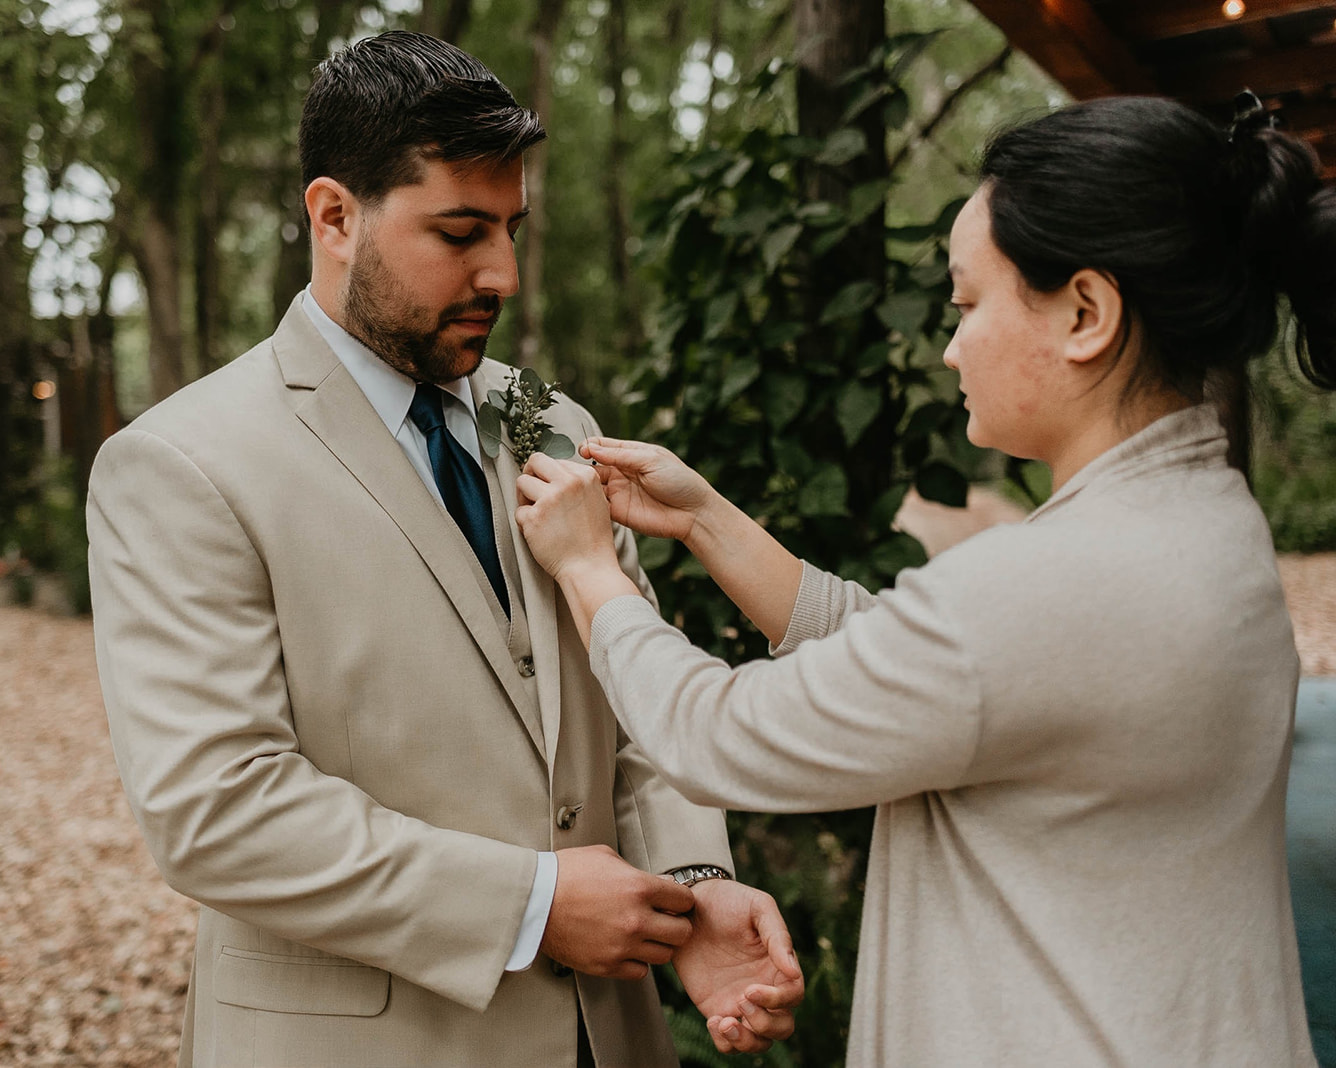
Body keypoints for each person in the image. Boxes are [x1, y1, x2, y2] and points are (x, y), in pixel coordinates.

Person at [514, 94, 1331, 1066]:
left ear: (1084, 313)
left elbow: (720, 734)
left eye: (968, 302)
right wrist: (703, 521)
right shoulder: (1204, 520)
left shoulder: (1054, 582)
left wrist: (588, 571)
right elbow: (928, 666)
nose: (950, 345)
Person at [86, 30, 803, 1068]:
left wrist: (689, 892)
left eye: (511, 228)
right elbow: (216, 808)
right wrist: (532, 902)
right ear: (333, 216)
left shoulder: (547, 419)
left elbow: (630, 705)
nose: (502, 272)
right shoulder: (180, 464)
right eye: (460, 231)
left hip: (607, 1037)